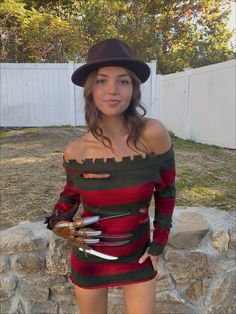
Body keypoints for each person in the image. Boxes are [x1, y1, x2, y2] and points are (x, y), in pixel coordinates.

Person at [45, 39, 176, 314]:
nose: (113, 91)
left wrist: (158, 244)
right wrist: (58, 223)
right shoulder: (76, 151)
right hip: (89, 257)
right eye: (102, 81)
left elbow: (166, 191)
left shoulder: (153, 134)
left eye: (123, 81)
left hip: (138, 256)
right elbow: (71, 194)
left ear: (134, 89)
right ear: (90, 88)